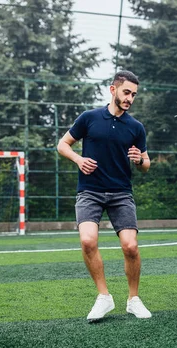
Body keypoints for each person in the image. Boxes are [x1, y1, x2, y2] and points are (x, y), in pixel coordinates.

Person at [57, 70, 152, 323]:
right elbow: (62, 144)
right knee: (88, 241)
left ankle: (133, 299)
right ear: (113, 90)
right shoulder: (89, 118)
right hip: (89, 191)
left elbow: (146, 164)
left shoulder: (135, 127)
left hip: (121, 193)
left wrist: (140, 159)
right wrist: (78, 159)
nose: (130, 98)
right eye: (126, 92)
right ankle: (104, 297)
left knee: (130, 246)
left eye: (133, 94)